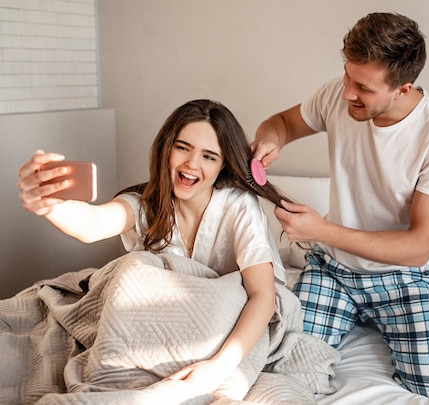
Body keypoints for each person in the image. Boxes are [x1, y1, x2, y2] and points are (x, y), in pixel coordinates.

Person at [251, 12, 429, 398]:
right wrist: (271, 139)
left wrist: (321, 230)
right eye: (347, 76)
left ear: (403, 88)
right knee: (284, 368)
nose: (348, 93)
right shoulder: (338, 95)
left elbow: (419, 246)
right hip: (333, 270)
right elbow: (282, 123)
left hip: (401, 278)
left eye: (364, 88)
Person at [16, 99, 294, 393]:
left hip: (225, 318)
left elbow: (262, 295)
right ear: (166, 148)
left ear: (223, 164)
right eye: (183, 147)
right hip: (166, 322)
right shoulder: (146, 204)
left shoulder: (239, 206)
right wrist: (47, 205)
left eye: (209, 156)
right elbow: (94, 223)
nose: (192, 163)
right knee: (131, 271)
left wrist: (215, 370)